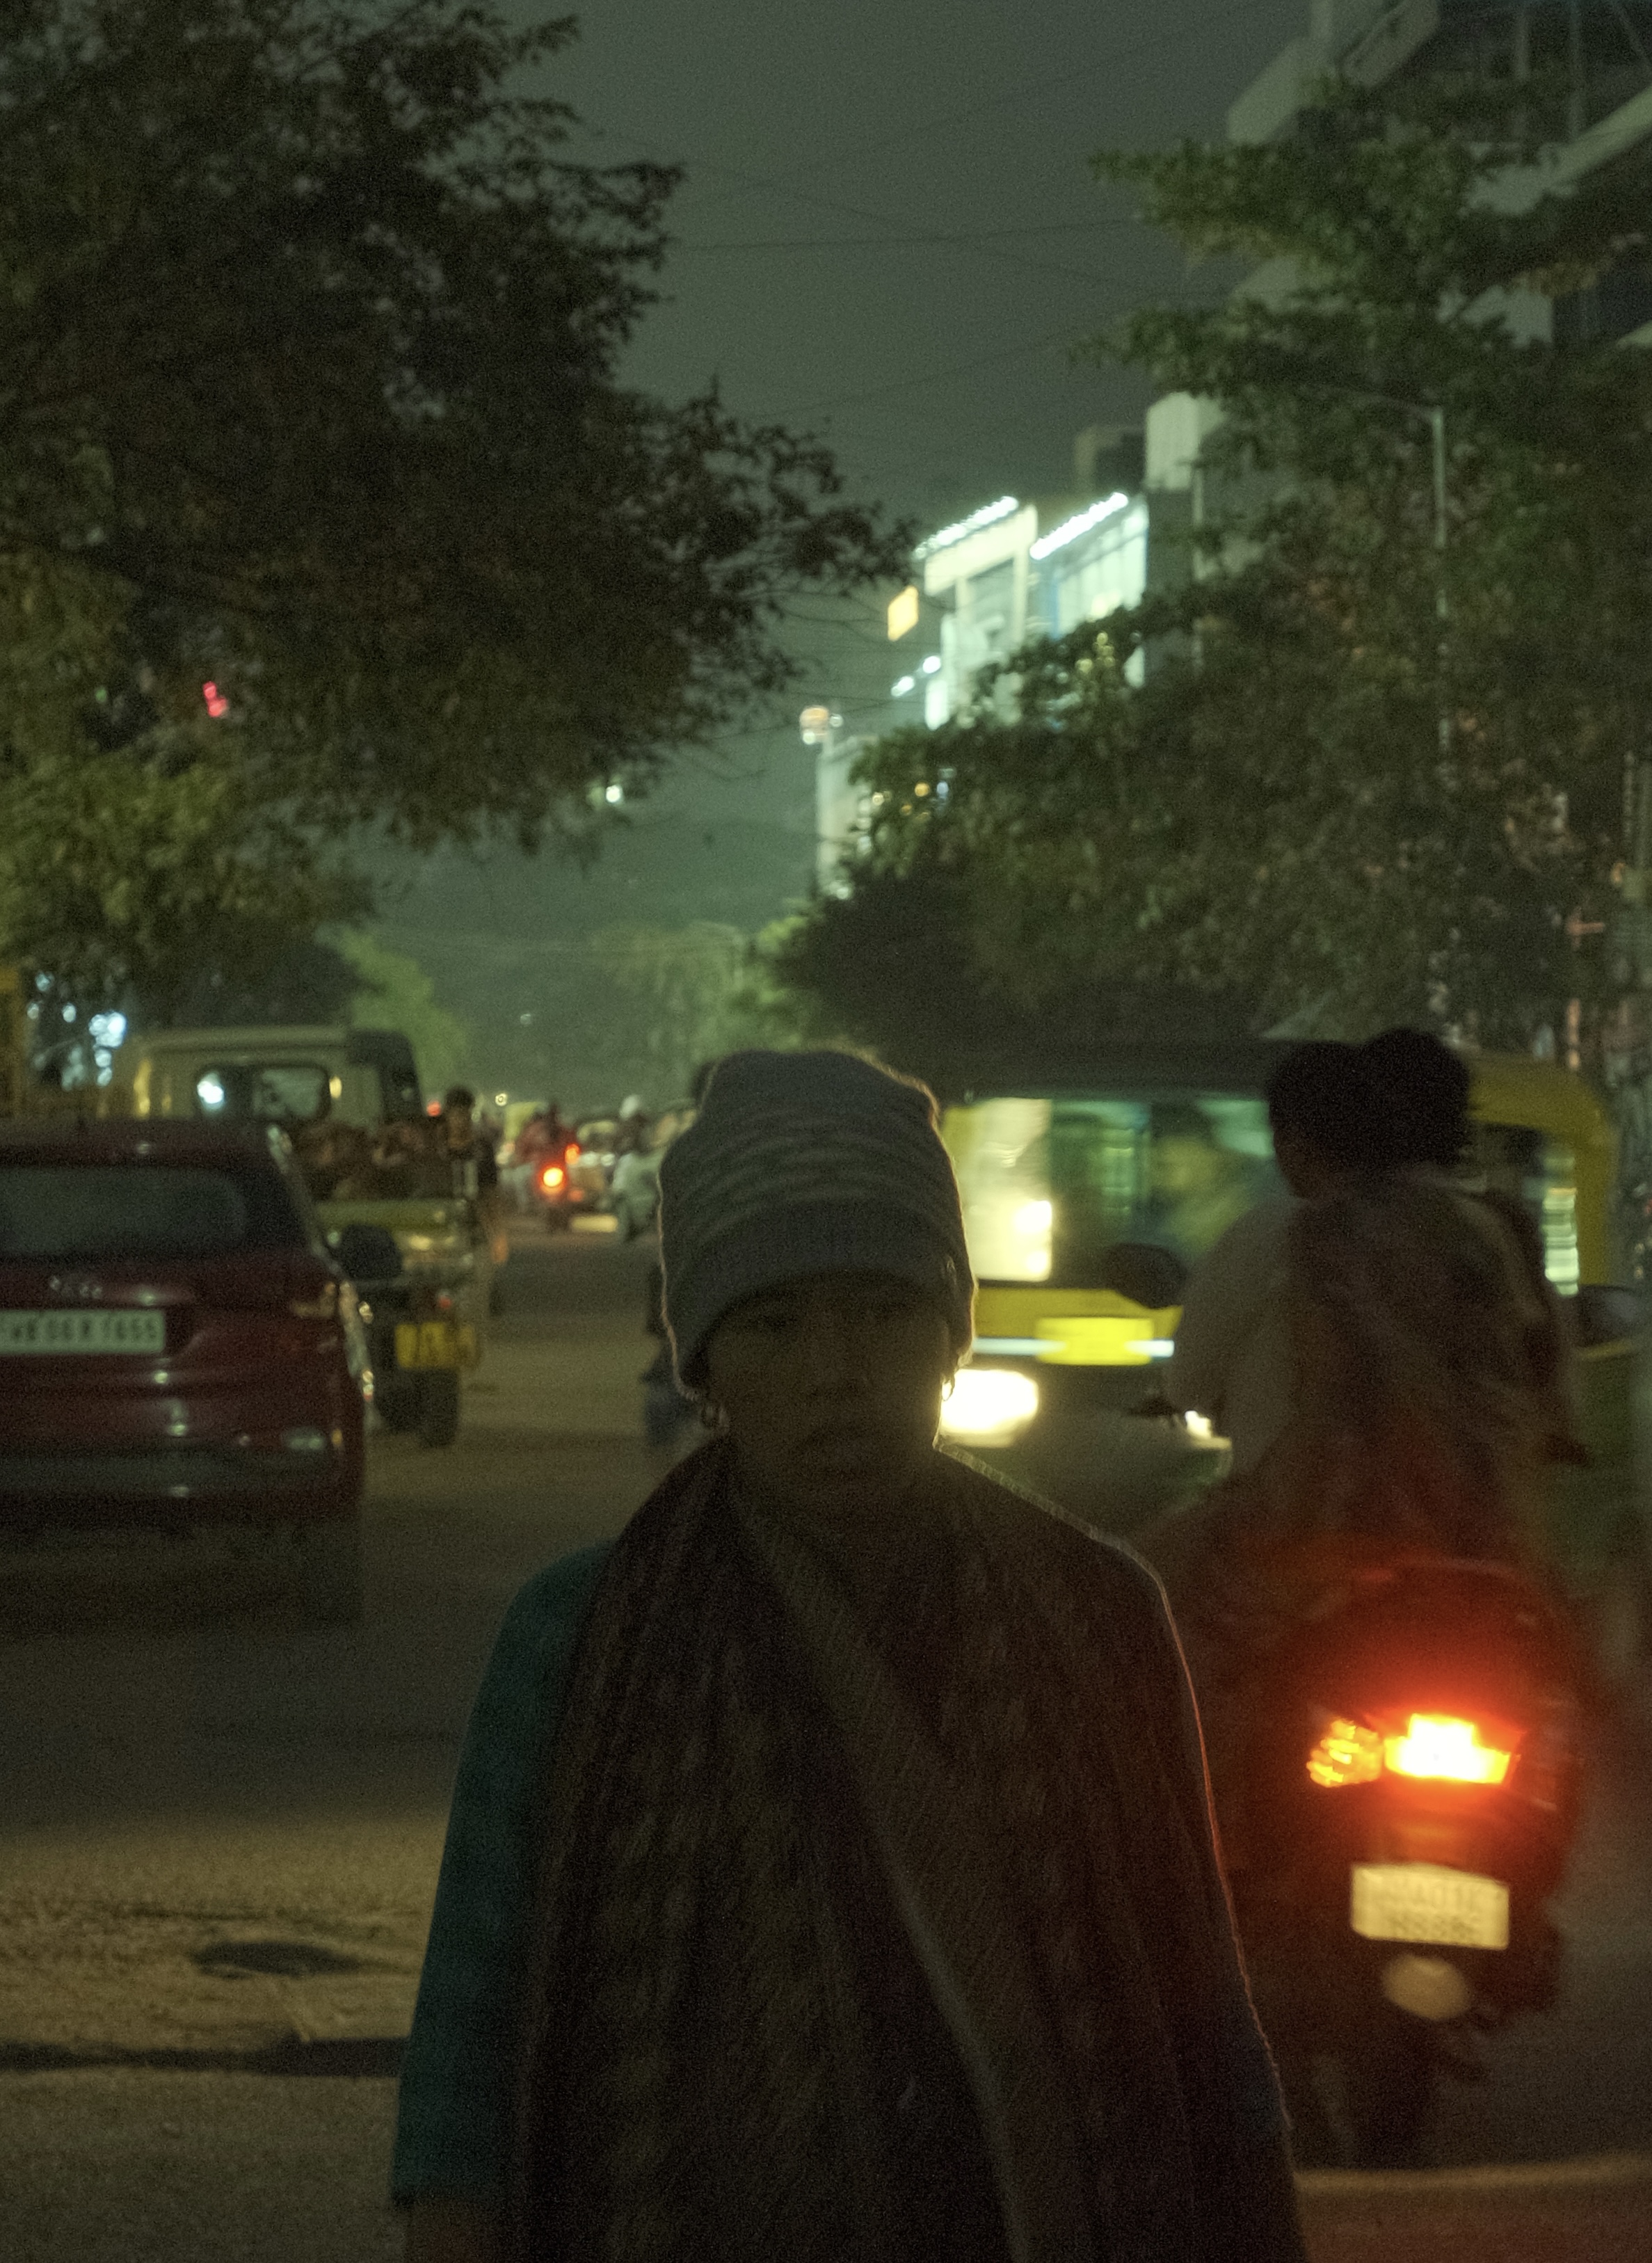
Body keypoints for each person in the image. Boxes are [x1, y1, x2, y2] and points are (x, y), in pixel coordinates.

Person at [394, 1048, 1306, 2263]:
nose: (835, 1373)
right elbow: (473, 2052)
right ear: (706, 1364)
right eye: (774, 1323)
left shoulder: (1099, 1617)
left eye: (880, 1312)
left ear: (947, 1335)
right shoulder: (578, 1638)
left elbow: (1207, 2027)